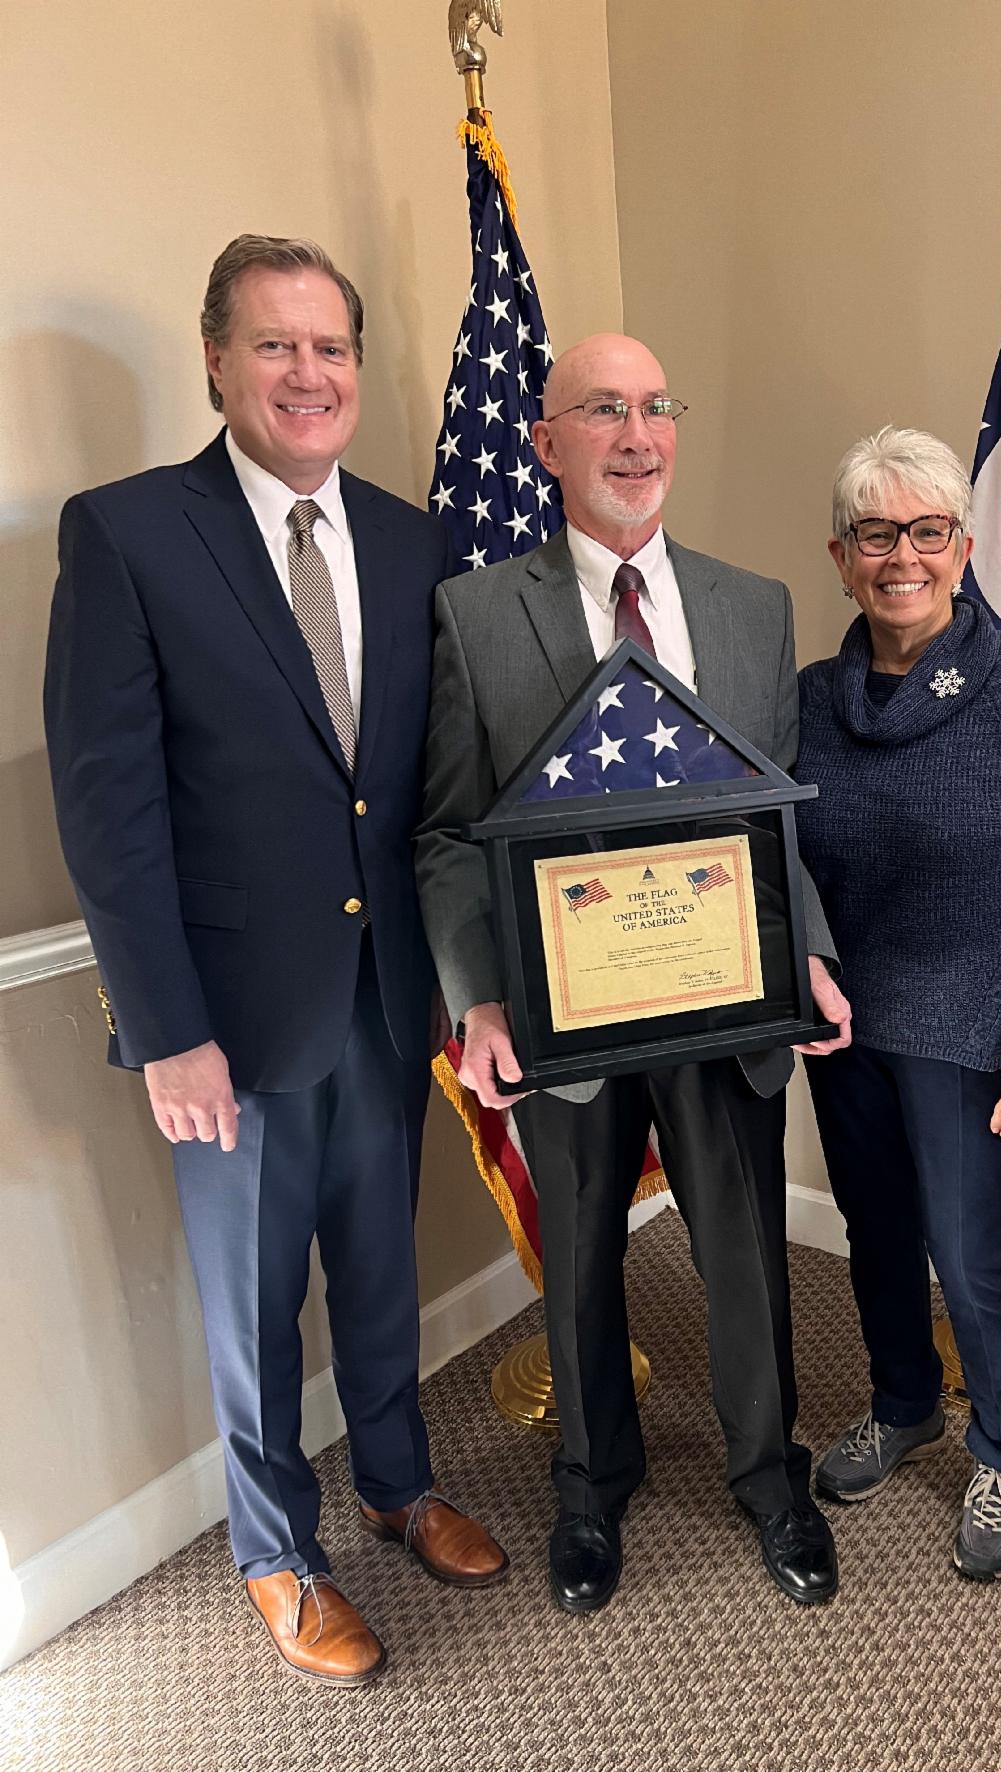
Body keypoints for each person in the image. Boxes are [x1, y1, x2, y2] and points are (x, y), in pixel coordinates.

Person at [44, 234, 507, 1686]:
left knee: (379, 1269)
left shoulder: (409, 534)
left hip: (385, 1006)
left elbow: (418, 789)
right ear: (216, 361)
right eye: (277, 346)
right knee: (251, 1306)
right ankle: (276, 1555)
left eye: (331, 350)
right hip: (227, 1026)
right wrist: (165, 1029)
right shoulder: (125, 534)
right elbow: (108, 812)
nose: (309, 374)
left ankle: (396, 1481)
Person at [416, 332, 852, 1615]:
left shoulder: (752, 605)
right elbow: (444, 829)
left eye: (657, 405)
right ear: (547, 442)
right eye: (602, 408)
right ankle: (591, 1482)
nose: (636, 434)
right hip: (562, 1009)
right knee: (587, 1248)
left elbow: (776, 825)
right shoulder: (472, 611)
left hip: (724, 1002)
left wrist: (811, 955)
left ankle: (771, 1477)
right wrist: (478, 993)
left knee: (743, 1249)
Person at [795, 425, 1001, 1581]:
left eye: (926, 531)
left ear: (964, 543)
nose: (903, 556)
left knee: (975, 1255)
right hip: (845, 1035)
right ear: (842, 556)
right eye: (877, 533)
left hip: (979, 1038)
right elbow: (774, 860)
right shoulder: (807, 701)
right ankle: (903, 1404)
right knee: (874, 1235)